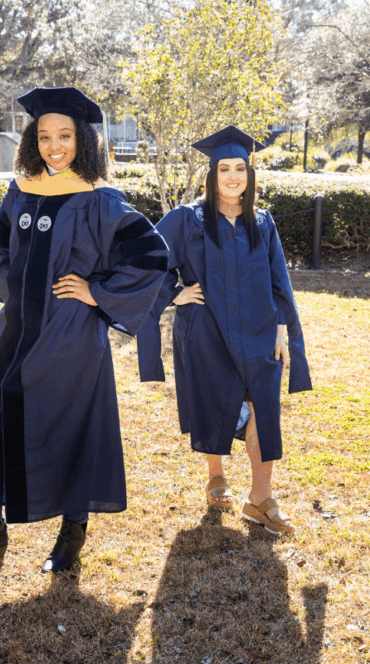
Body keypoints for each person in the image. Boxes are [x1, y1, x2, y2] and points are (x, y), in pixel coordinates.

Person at [0, 87, 169, 572]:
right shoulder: (22, 189)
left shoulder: (99, 199)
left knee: (72, 429)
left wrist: (96, 293)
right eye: (44, 136)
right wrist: (14, 286)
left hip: (70, 337)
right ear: (33, 140)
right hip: (16, 331)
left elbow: (153, 256)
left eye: (64, 135)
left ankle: (71, 534)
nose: (54, 145)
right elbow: (2, 243)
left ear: (82, 140)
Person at [137, 126, 311, 536]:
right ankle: (216, 475)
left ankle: (260, 499)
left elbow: (278, 280)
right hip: (206, 328)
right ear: (211, 175)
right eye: (224, 169)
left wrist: (283, 328)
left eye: (241, 169)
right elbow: (145, 260)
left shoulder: (262, 222)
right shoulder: (186, 220)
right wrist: (173, 293)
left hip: (259, 328)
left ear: (250, 175)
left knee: (262, 402)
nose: (233, 177)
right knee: (214, 398)